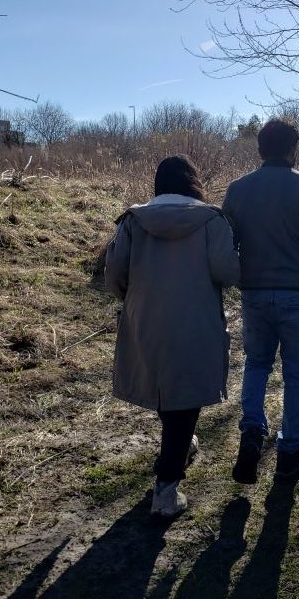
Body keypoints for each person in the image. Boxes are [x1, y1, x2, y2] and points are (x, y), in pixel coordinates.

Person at [105, 155, 239, 519]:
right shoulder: (211, 220)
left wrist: (134, 300)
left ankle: (180, 447)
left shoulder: (133, 220)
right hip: (196, 319)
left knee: (165, 387)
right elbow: (228, 271)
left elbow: (114, 274)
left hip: (145, 319)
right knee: (187, 394)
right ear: (193, 182)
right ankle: (166, 489)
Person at [222, 118, 299, 484]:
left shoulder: (238, 190)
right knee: (297, 374)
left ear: (260, 150)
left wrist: (241, 279)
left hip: (255, 294)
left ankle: (251, 433)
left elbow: (225, 246)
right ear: (293, 149)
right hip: (297, 294)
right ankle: (289, 453)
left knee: (256, 364)